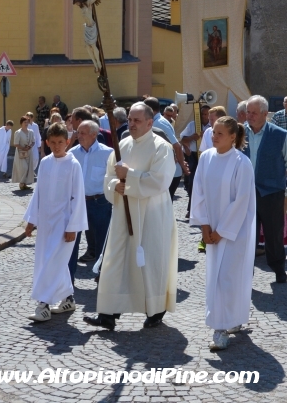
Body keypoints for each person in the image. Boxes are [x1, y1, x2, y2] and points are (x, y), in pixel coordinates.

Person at [84, 103, 177, 332]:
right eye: (130, 119)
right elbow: (108, 177)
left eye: (137, 120)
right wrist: (115, 184)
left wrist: (130, 177)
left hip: (152, 214)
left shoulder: (161, 148)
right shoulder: (121, 146)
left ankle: (154, 310)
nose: (131, 124)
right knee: (115, 260)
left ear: (149, 123)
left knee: (150, 261)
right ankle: (107, 314)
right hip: (122, 214)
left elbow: (160, 180)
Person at [190, 116, 256, 352]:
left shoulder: (241, 163)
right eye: (213, 132)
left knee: (227, 278)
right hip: (212, 230)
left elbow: (242, 201)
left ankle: (221, 328)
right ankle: (231, 319)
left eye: (219, 133)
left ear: (232, 137)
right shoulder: (206, 158)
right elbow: (198, 192)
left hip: (233, 231)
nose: (213, 136)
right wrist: (204, 226)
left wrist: (222, 230)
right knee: (216, 277)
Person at [23, 122, 87, 322]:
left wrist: (73, 227)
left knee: (52, 261)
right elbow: (38, 193)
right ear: (47, 143)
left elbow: (78, 197)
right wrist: (32, 220)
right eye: (53, 142)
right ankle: (67, 298)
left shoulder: (73, 164)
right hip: (46, 222)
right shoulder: (45, 163)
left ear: (67, 142)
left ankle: (43, 304)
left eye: (61, 142)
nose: (57, 146)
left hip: (64, 223)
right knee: (48, 259)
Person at [243, 95, 287, 284]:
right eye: (247, 112)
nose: (249, 116)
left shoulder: (280, 134)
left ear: (265, 114)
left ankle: (279, 269)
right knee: (247, 235)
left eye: (254, 113)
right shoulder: (240, 133)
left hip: (272, 192)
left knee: (274, 233)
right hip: (246, 192)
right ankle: (246, 272)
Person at [69, 120, 114, 277]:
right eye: (78, 132)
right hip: (77, 203)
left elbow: (114, 178)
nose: (78, 136)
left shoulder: (108, 154)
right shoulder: (72, 154)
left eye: (82, 133)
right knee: (72, 242)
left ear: (94, 135)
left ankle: (103, 277)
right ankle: (68, 278)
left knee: (103, 242)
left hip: (100, 202)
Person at [144, 97, 190, 192]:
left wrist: (182, 164)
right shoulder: (159, 121)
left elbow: (176, 145)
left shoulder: (159, 124)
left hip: (169, 172)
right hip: (167, 171)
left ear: (149, 110)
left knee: (164, 204)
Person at [180, 104, 210, 218]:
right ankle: (191, 209)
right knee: (193, 182)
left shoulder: (213, 126)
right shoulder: (192, 125)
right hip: (193, 156)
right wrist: (192, 137)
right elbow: (182, 139)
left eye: (207, 114)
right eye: (203, 114)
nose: (205, 116)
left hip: (207, 156)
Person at [12, 117, 36, 190]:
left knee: (28, 168)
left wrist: (30, 146)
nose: (26, 124)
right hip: (21, 153)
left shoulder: (31, 131)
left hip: (29, 152)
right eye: (24, 122)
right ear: (21, 123)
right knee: (24, 167)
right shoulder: (18, 132)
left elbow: (33, 141)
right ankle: (21, 183)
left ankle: (24, 183)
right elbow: (16, 143)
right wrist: (23, 148)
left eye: (27, 122)